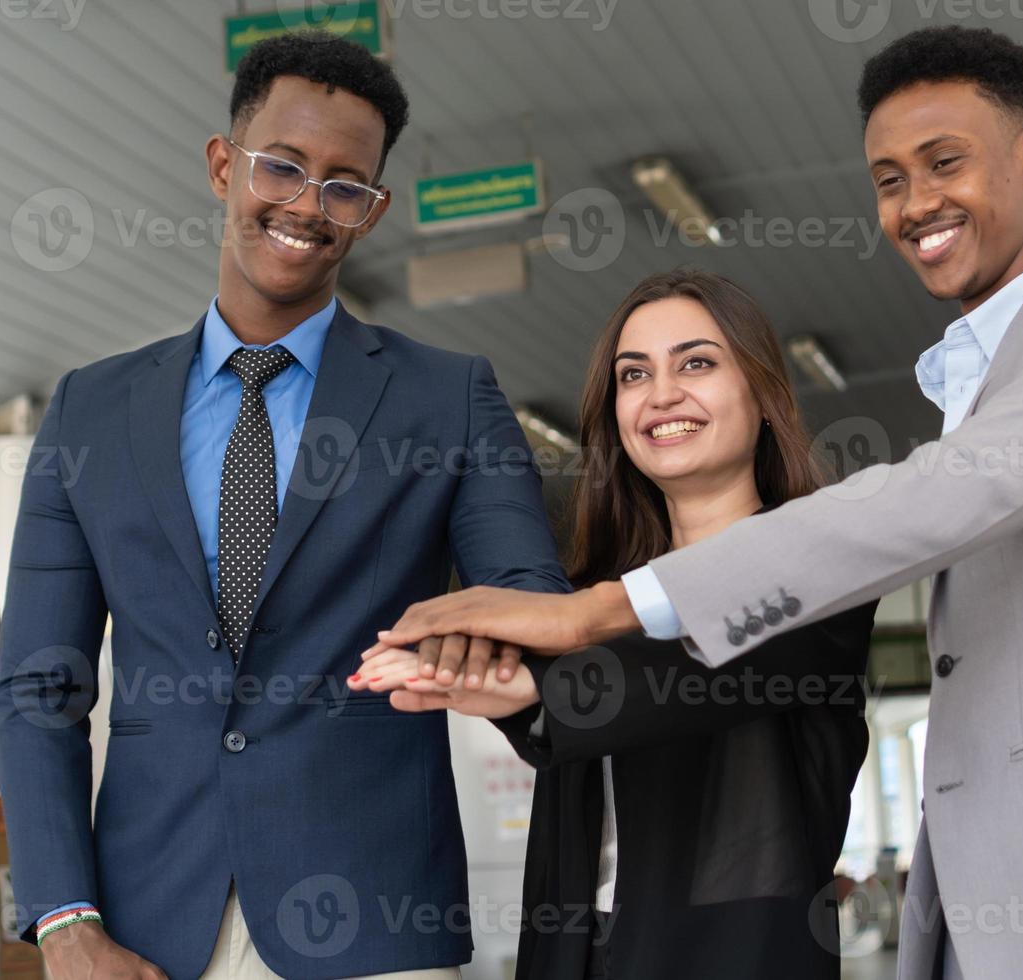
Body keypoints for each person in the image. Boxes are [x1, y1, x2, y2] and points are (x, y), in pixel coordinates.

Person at [366, 26, 1023, 980]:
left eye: (945, 163)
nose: (915, 202)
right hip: (999, 921)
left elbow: (936, 502)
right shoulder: (975, 396)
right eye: (889, 178)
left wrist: (588, 617)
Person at [0, 31, 565, 980]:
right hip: (144, 928)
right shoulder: (90, 408)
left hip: (377, 918)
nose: (308, 205)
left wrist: (478, 636)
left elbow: (527, 596)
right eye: (283, 167)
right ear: (225, 166)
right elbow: (38, 687)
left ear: (373, 210)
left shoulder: (448, 396)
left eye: (346, 184)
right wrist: (64, 921)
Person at [353, 270, 876, 979]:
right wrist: (501, 681)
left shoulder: (820, 565)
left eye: (697, 362)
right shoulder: (591, 596)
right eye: (634, 375)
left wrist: (537, 684)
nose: (662, 394)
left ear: (760, 392)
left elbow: (688, 675)